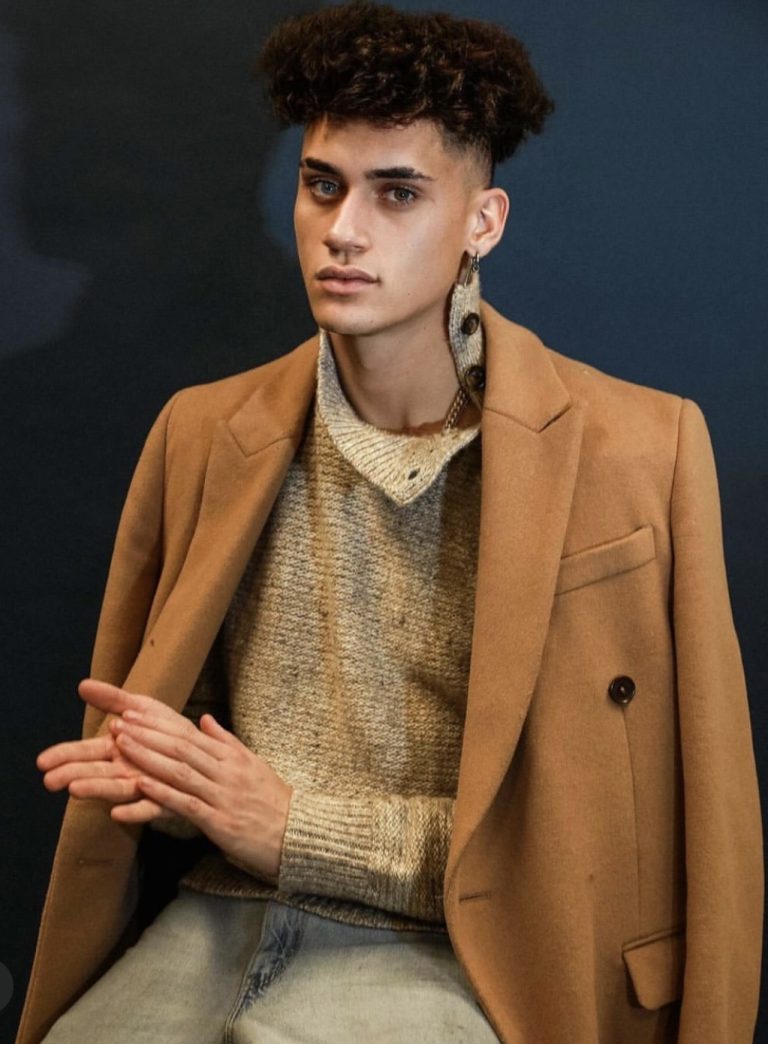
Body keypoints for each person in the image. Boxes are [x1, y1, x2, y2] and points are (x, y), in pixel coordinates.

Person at [17, 3, 762, 1043]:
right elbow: (173, 736)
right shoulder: (204, 433)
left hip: (470, 954)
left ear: (483, 222)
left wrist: (296, 829)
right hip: (213, 918)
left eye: (398, 193)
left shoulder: (642, 447)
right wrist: (169, 778)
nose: (344, 229)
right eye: (323, 184)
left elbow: (672, 821)